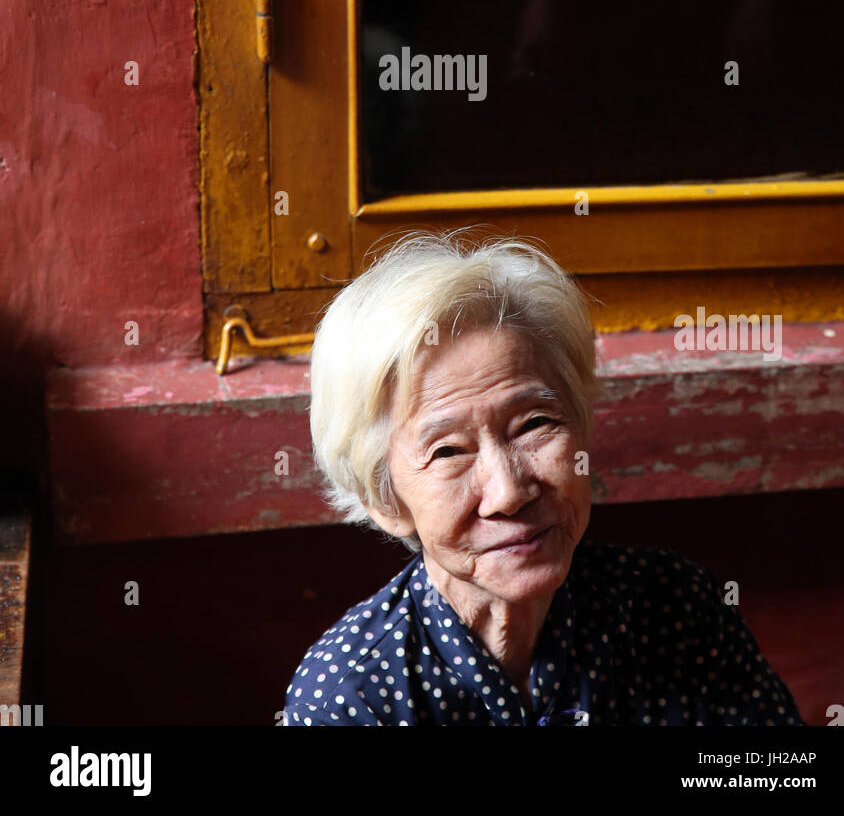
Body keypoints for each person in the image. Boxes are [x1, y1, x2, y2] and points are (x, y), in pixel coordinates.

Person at [282, 230, 804, 727]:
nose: (509, 492)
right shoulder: (353, 696)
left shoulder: (674, 609)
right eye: (448, 451)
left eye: (534, 423)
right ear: (385, 497)